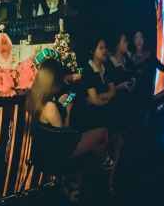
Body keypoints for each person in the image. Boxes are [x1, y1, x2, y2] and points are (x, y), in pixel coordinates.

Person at [26, 59, 109, 202]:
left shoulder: (33, 100)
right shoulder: (50, 107)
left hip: (43, 151)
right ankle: (102, 161)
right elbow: (64, 136)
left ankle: (75, 187)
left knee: (97, 147)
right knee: (103, 132)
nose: (61, 85)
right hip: (59, 152)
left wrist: (60, 105)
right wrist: (68, 110)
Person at [105, 31, 136, 194]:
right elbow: (107, 89)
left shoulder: (126, 60)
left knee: (119, 145)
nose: (127, 43)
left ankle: (110, 182)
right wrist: (121, 86)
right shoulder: (109, 63)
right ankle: (100, 180)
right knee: (109, 143)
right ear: (117, 44)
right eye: (124, 41)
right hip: (113, 108)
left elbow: (131, 74)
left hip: (125, 107)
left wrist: (132, 81)